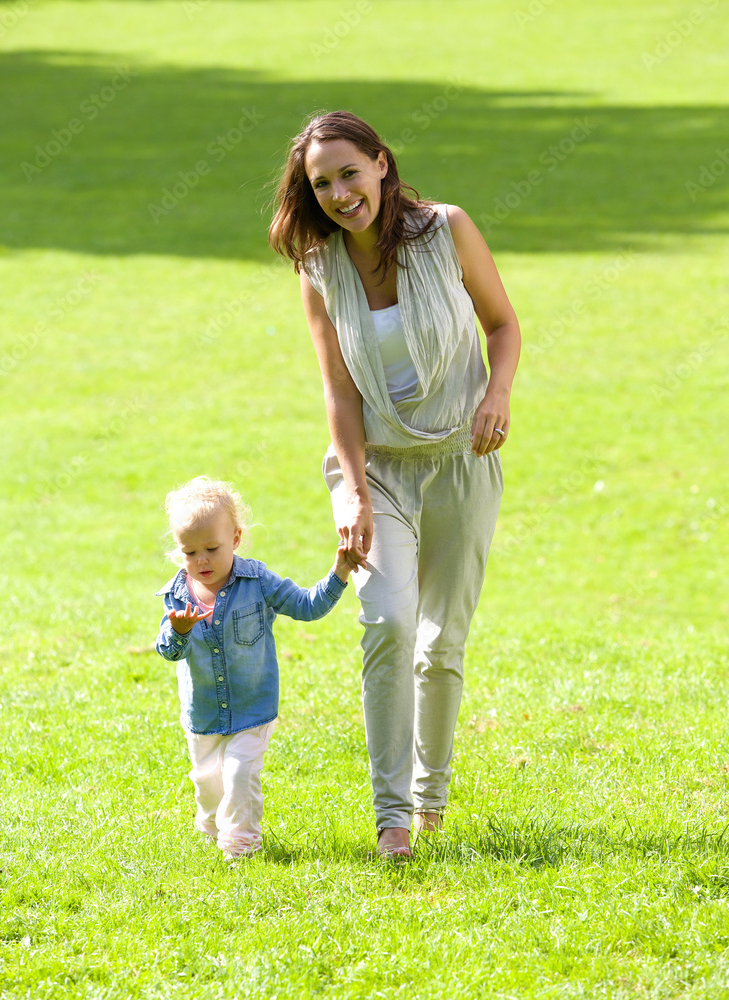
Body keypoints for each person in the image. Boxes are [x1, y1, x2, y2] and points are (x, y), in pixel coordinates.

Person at [269, 111, 520, 858]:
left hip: (461, 461)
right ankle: (392, 822)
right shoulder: (319, 270)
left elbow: (502, 325)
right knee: (387, 622)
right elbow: (338, 392)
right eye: (322, 183)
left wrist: (497, 395)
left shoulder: (448, 230)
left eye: (350, 172)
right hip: (376, 469)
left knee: (442, 642)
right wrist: (351, 491)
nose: (341, 193)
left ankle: (430, 802)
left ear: (381, 164)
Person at [155, 476, 351, 860]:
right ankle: (211, 828)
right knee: (208, 784)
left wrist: (340, 573)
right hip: (204, 713)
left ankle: (241, 845)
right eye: (189, 552)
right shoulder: (177, 594)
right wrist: (177, 631)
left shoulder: (258, 581)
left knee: (240, 774)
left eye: (212, 548)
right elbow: (167, 650)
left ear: (236, 539)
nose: (201, 561)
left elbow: (308, 606)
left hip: (252, 708)